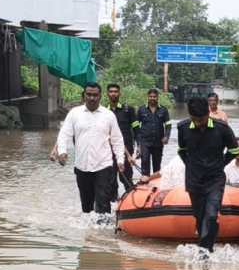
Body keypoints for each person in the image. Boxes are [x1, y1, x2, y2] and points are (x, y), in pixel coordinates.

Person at [177, 96, 239, 252]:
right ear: (190, 116)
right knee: (199, 217)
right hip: (194, 180)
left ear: (208, 113)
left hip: (215, 179)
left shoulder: (221, 127)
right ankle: (206, 248)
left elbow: (235, 150)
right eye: (196, 120)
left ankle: (204, 252)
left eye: (202, 119)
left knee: (211, 215)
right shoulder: (182, 127)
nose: (199, 123)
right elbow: (182, 150)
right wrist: (191, 165)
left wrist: (220, 164)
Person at [54, 82, 122, 214]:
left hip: (103, 166)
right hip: (82, 167)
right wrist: (62, 151)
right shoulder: (74, 114)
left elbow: (117, 140)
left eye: (95, 95)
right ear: (83, 96)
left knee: (103, 204)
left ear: (100, 96)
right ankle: (89, 234)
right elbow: (64, 134)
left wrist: (120, 160)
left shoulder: (108, 115)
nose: (92, 98)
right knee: (87, 207)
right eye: (89, 95)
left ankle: (103, 233)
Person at [107, 83, 137, 192]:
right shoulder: (104, 112)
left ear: (119, 93)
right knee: (111, 180)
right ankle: (113, 204)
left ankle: (131, 201)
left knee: (126, 178)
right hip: (108, 150)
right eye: (111, 92)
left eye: (115, 91)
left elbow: (136, 129)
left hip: (127, 149)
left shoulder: (128, 110)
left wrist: (139, 147)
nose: (113, 94)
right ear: (107, 94)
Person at [134, 88, 170, 176]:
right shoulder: (141, 109)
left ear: (158, 97)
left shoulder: (163, 110)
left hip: (158, 142)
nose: (152, 98)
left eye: (154, 96)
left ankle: (156, 185)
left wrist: (166, 136)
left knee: (157, 165)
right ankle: (145, 182)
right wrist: (138, 143)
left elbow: (168, 125)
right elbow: (135, 126)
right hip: (145, 141)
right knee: (145, 161)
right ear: (148, 97)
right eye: (151, 96)